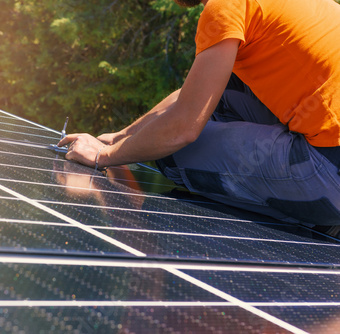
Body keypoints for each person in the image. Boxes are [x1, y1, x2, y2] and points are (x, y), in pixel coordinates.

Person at [58, 0, 340, 237]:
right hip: (325, 146)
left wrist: (104, 157)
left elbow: (181, 130)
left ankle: (308, 217)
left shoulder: (225, 7)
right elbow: (192, 98)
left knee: (173, 154)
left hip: (329, 172)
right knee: (226, 93)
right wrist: (119, 137)